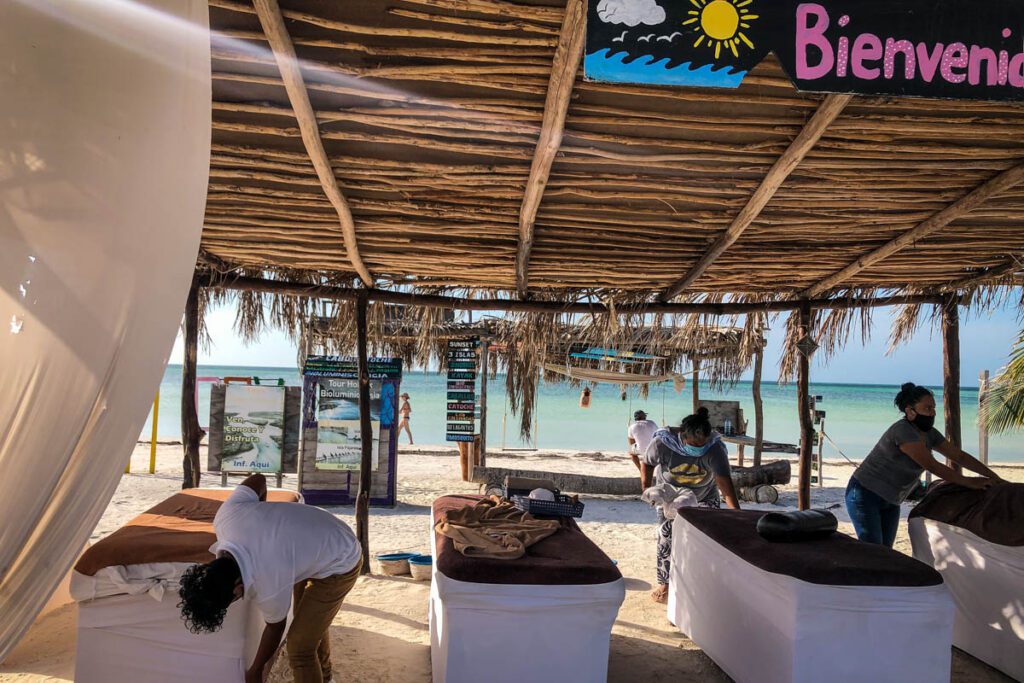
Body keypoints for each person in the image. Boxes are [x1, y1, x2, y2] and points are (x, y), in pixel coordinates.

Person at [178, 474, 362, 683]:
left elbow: (276, 627)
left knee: (300, 648)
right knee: (309, 624)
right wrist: (262, 514)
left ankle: (323, 675)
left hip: (343, 558)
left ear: (237, 589)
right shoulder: (225, 518)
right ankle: (326, 677)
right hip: (320, 531)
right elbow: (257, 479)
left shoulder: (268, 581)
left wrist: (256, 670)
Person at [845, 382, 1001, 547]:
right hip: (865, 494)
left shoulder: (930, 434)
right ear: (910, 411)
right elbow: (932, 465)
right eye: (927, 408)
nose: (932, 413)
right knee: (874, 551)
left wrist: (993, 477)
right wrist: (969, 482)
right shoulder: (903, 431)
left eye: (933, 408)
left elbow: (959, 456)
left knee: (886, 553)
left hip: (892, 499)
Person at [643, 407, 740, 603]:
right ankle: (665, 584)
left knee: (708, 539)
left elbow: (724, 483)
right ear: (682, 435)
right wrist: (645, 488)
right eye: (693, 444)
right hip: (669, 498)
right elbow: (647, 462)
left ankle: (704, 581)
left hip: (704, 497)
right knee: (666, 538)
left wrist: (737, 514)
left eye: (701, 444)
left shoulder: (715, 448)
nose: (698, 448)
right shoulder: (662, 443)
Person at [627, 410, 659, 490]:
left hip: (640, 450)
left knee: (631, 453)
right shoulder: (652, 423)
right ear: (643, 417)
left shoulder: (631, 426)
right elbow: (658, 435)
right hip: (653, 449)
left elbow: (631, 442)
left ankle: (640, 469)